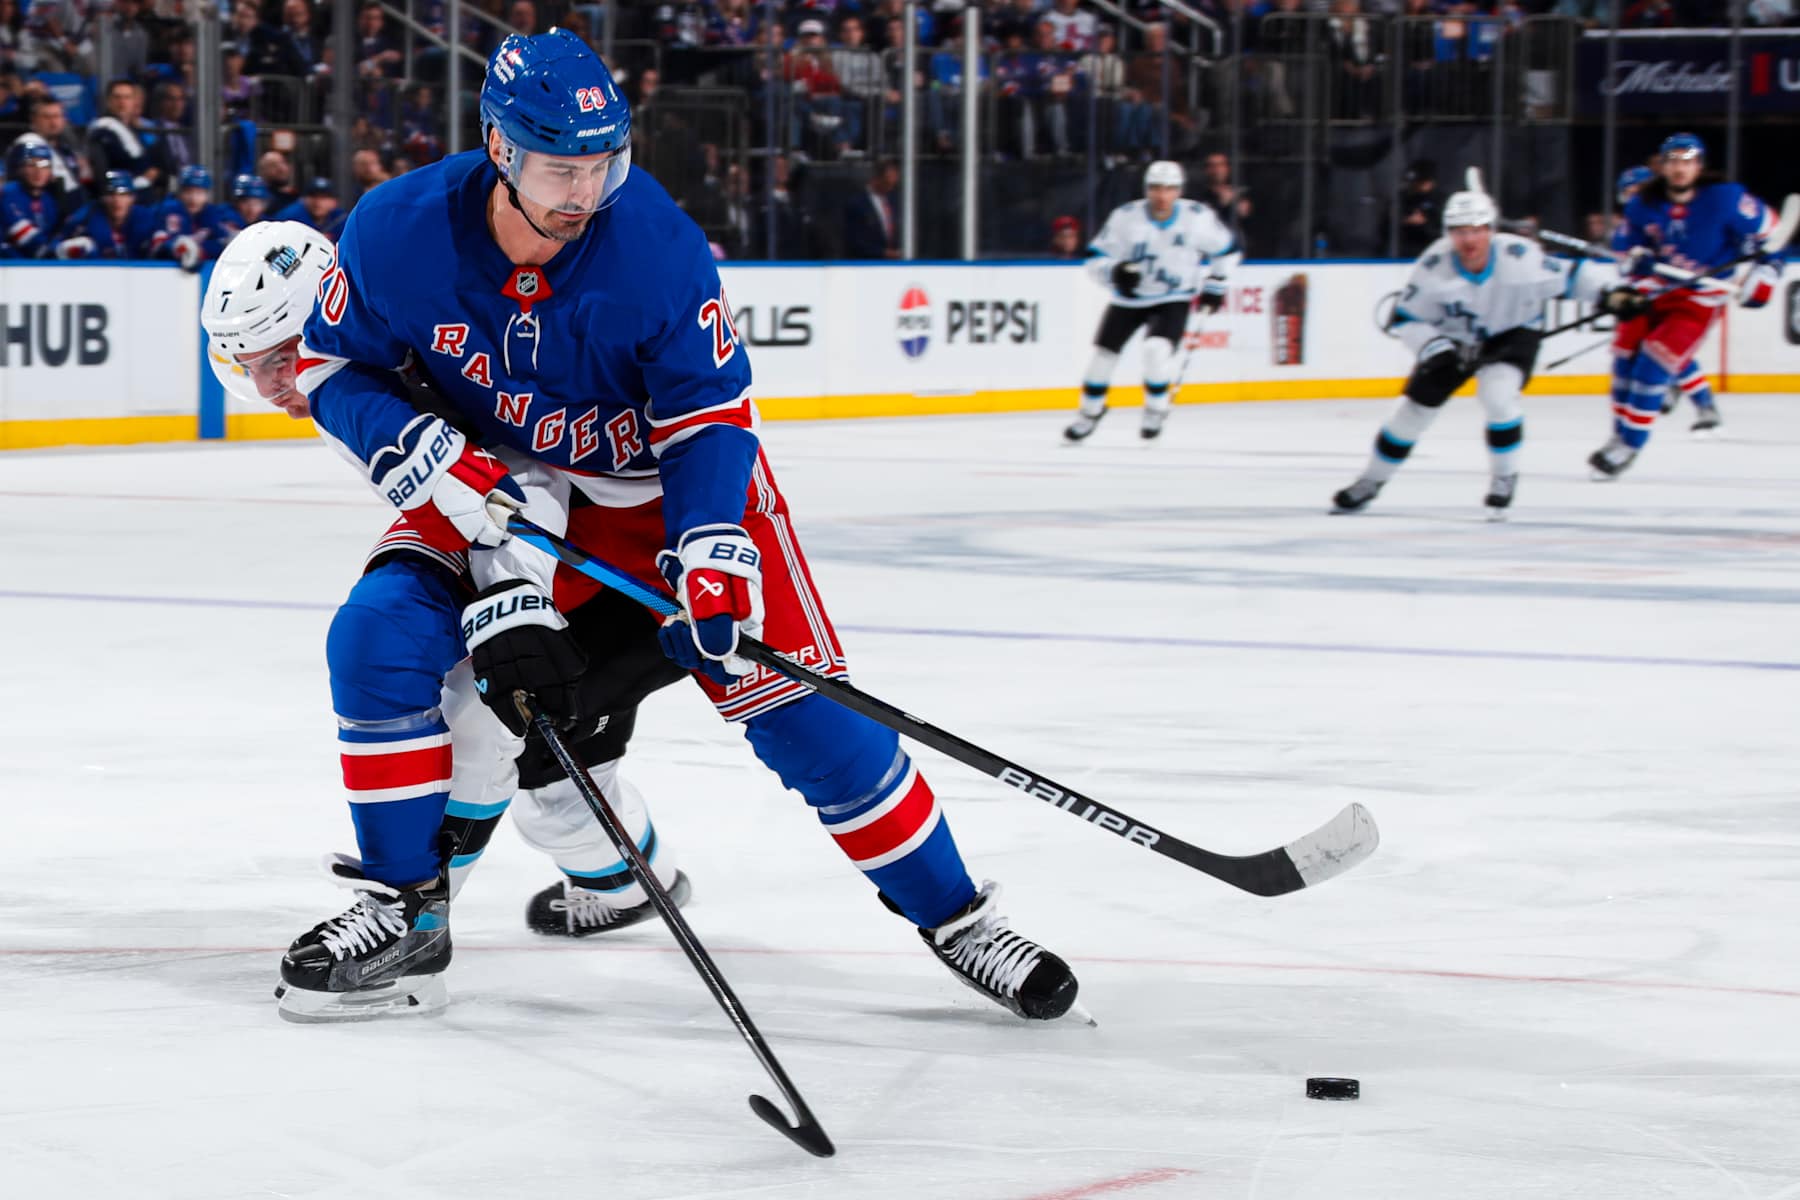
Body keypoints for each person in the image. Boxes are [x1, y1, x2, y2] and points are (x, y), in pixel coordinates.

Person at [294, 29, 1079, 1023]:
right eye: (559, 169)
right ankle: (403, 911)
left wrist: (710, 549)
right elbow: (327, 365)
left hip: (662, 496)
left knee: (804, 717)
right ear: (498, 148)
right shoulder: (395, 228)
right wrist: (405, 438)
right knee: (379, 641)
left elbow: (708, 417)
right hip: (501, 490)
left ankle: (962, 921)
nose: (584, 193)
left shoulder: (653, 246)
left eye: (602, 164)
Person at [202, 222, 697, 1021]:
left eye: (279, 358)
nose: (268, 387)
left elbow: (533, 476)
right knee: (380, 641)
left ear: (330, 316)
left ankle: (431, 917)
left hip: (630, 569)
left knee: (526, 749)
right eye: (243, 365)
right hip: (509, 532)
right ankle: (431, 905)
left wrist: (514, 596)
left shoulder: (431, 335)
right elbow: (469, 490)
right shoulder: (346, 370)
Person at [1330, 186, 1649, 519]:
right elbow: (1407, 319)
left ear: (1490, 231)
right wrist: (1435, 350)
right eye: (1460, 232)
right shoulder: (1431, 269)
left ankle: (1503, 478)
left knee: (1498, 397)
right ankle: (1370, 481)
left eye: (1477, 231)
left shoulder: (1520, 257)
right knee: (1410, 416)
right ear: (1448, 233)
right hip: (1454, 342)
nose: (1470, 241)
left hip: (1512, 334)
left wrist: (1612, 295)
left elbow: (1574, 276)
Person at [1592, 133, 1783, 477]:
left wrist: (1767, 271)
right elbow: (1626, 251)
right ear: (1662, 166)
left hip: (1698, 300)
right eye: (1673, 161)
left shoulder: (1726, 198)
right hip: (1655, 293)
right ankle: (1617, 437)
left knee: (1654, 363)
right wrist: (1636, 260)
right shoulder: (1642, 204)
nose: (1680, 169)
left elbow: (1771, 232)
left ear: (1699, 166)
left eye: (1687, 161)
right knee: (1624, 362)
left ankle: (1631, 446)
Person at [1064, 160, 1239, 442]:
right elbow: (1095, 258)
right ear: (1146, 189)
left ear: (1178, 191)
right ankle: (1090, 413)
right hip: (1129, 299)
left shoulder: (1196, 218)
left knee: (1156, 351)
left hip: (1174, 296)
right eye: (1156, 188)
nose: (1162, 196)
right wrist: (1116, 272)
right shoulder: (1125, 218)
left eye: (1169, 189)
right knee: (1101, 358)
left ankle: (1155, 409)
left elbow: (1229, 251)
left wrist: (1216, 283)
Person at [1611, 159, 1721, 435]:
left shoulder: (1672, 221)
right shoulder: (1630, 228)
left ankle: (1703, 404)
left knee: (1668, 351)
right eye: (1630, 192)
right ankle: (1695, 400)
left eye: (1640, 190)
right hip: (1650, 298)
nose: (1635, 197)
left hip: (1683, 298)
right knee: (1657, 351)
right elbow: (1627, 266)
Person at [148, 164, 237, 270]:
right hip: (167, 274)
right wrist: (176, 247)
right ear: (180, 192)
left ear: (207, 194)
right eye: (188, 192)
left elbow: (223, 243)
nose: (193, 198)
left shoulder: (212, 213)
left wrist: (201, 250)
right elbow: (157, 247)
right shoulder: (168, 211)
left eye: (199, 193)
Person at [54, 169, 155, 259]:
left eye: (123, 194)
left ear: (132, 198)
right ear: (103, 198)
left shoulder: (146, 219)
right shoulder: (86, 217)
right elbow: (55, 247)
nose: (117, 200)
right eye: (111, 194)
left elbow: (161, 244)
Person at [1, 139, 73, 258]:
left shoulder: (50, 201)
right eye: (31, 164)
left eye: (44, 165)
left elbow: (57, 237)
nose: (38, 171)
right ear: (19, 168)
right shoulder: (8, 194)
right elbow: (30, 243)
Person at [843, 155, 900, 259]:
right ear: (877, 178)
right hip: (867, 265)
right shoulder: (857, 204)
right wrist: (883, 253)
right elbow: (854, 241)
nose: (892, 187)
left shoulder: (895, 201)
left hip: (895, 266)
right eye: (888, 183)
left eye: (893, 183)